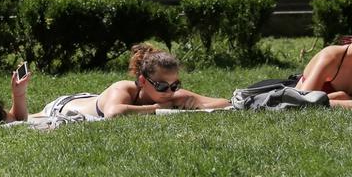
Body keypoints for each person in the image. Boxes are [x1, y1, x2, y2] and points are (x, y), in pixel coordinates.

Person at [34, 43, 231, 120]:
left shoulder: (170, 94)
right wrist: (156, 107)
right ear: (143, 81)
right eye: (162, 86)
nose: (169, 91)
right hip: (62, 106)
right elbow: (113, 113)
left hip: (92, 99)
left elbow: (224, 103)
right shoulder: (123, 88)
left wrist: (196, 103)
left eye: (175, 85)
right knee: (20, 119)